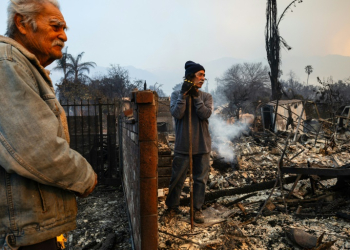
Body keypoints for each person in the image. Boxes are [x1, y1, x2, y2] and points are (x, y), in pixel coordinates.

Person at [0, 0, 97, 249]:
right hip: (23, 233)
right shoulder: (7, 64)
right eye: (55, 26)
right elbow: (38, 149)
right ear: (22, 23)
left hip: (30, 228)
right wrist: (85, 176)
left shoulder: (20, 65)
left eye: (64, 29)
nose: (63, 36)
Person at [165, 61, 213, 223]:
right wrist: (183, 96)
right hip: (183, 145)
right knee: (177, 178)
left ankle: (197, 210)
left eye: (204, 75)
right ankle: (172, 208)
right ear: (190, 76)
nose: (203, 78)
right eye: (200, 75)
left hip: (202, 145)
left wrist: (196, 97)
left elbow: (205, 114)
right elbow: (177, 114)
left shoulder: (206, 96)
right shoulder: (176, 94)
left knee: (200, 180)